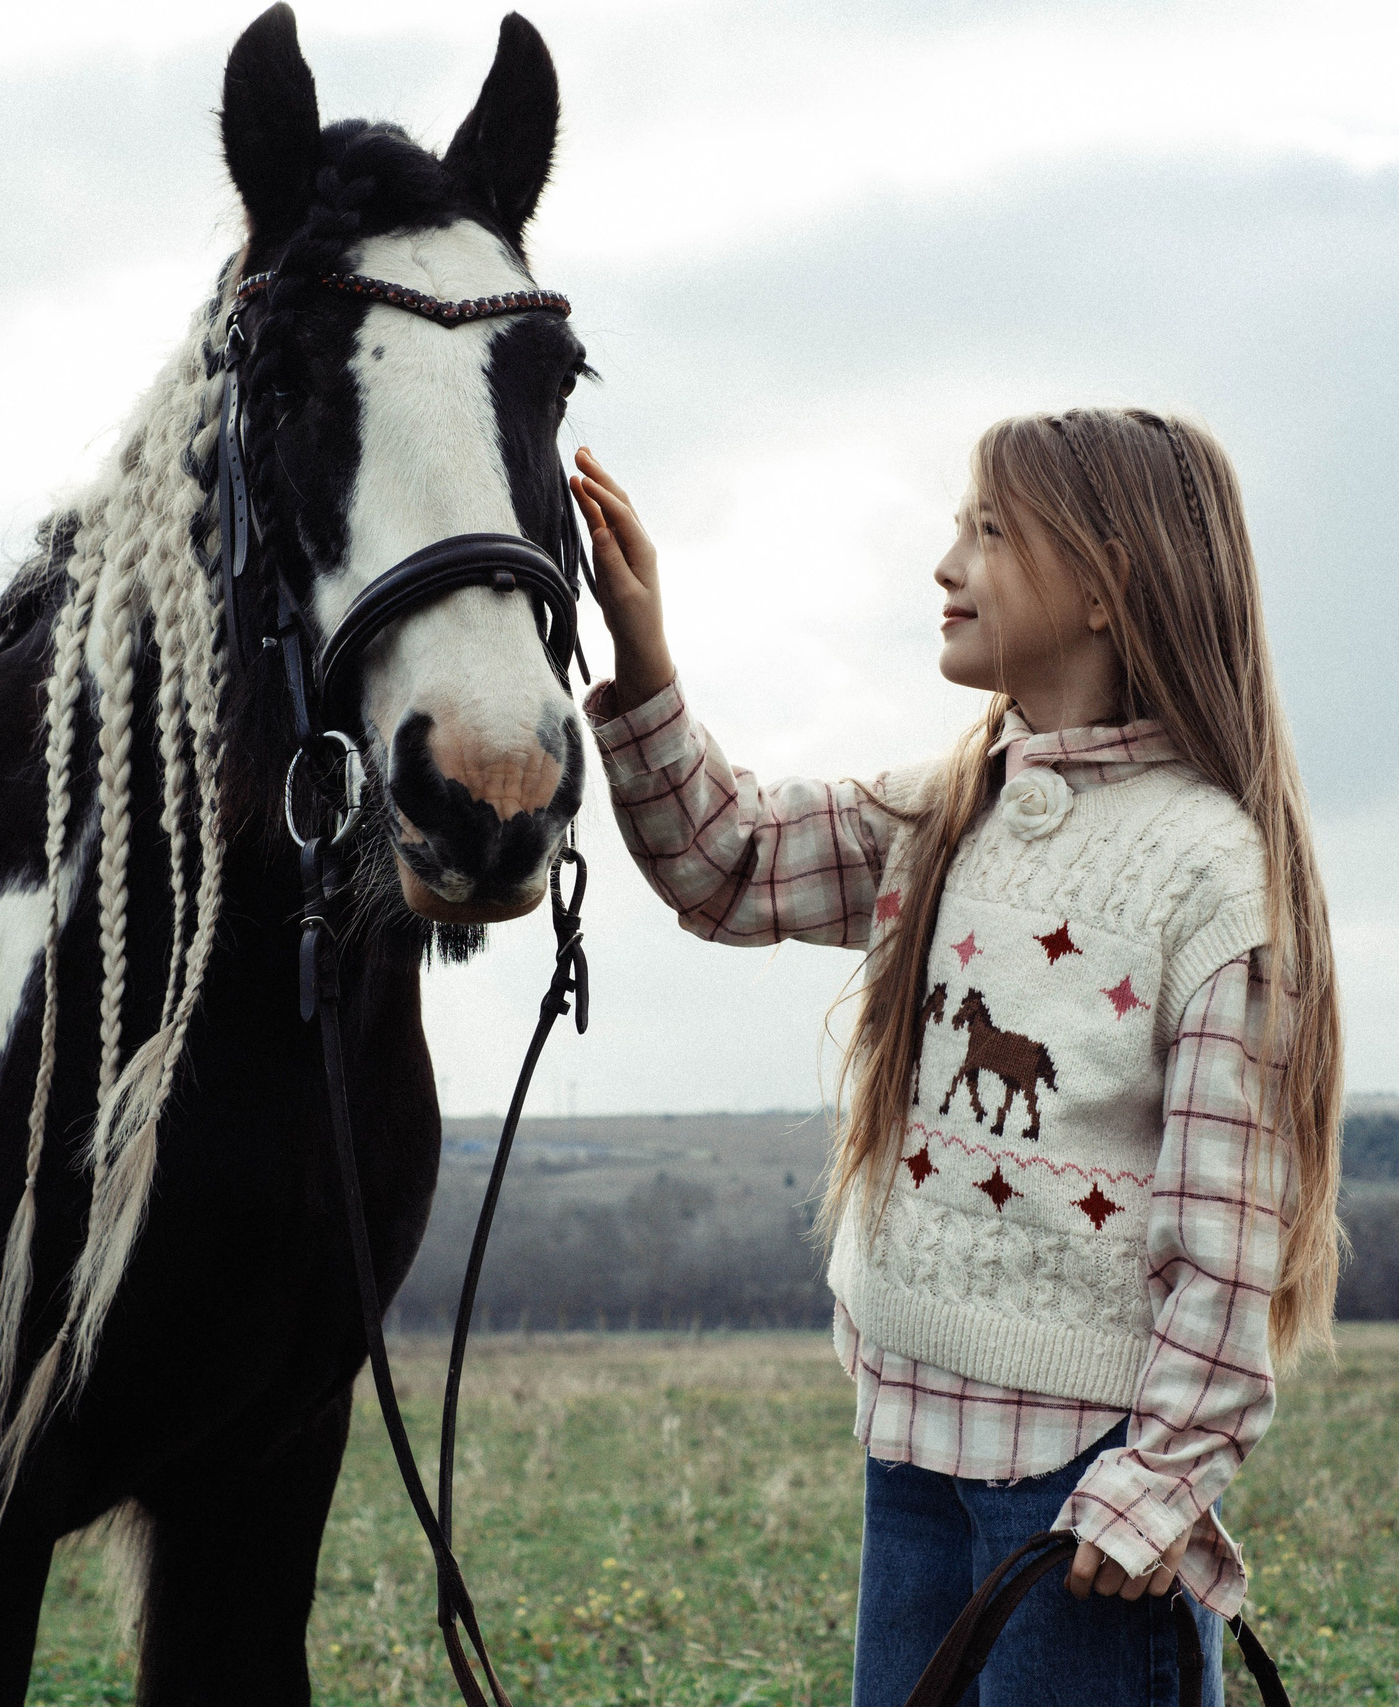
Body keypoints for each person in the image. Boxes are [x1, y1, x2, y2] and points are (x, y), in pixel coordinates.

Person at [569, 410, 1344, 1707]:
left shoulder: (1208, 873)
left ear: (1107, 584)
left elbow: (1225, 1238)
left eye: (988, 531)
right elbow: (727, 862)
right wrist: (642, 653)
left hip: (1079, 1507)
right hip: (910, 1462)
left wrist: (1152, 1490)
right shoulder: (947, 811)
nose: (945, 565)